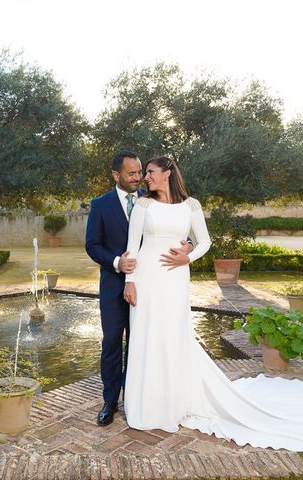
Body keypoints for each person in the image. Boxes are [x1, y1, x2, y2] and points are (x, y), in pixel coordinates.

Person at [122, 155, 303, 453]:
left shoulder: (191, 205)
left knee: (173, 337)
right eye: (146, 174)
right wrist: (130, 281)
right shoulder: (143, 205)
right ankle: (147, 405)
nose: (146, 178)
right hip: (148, 278)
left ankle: (174, 401)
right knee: (146, 337)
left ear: (168, 172)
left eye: (151, 172)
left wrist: (187, 256)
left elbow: (204, 241)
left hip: (176, 279)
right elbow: (131, 247)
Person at [85, 150, 192, 426]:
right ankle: (110, 402)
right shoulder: (100, 205)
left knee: (141, 343)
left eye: (140, 173)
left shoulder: (152, 200)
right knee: (111, 343)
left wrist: (188, 247)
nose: (138, 178)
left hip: (150, 287)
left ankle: (138, 399)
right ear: (115, 174)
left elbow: (178, 225)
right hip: (113, 285)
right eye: (132, 174)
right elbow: (92, 246)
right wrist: (118, 263)